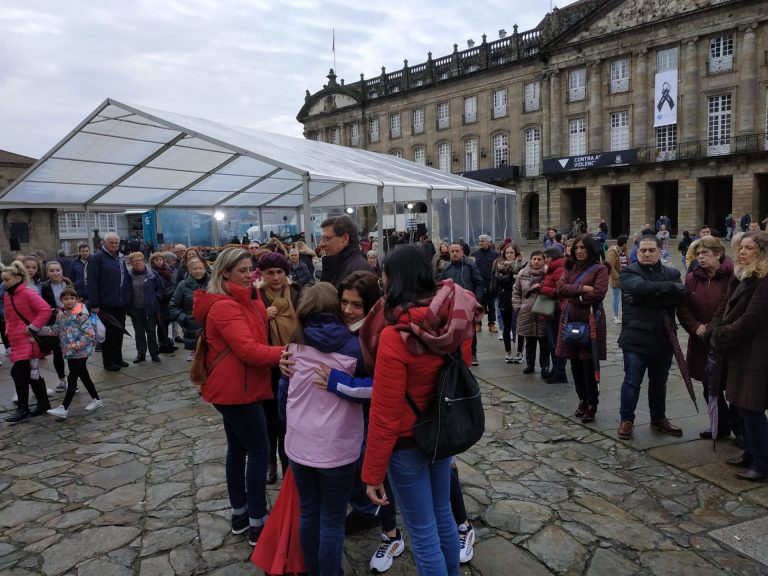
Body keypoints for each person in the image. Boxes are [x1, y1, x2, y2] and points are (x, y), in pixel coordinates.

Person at [360, 244, 480, 576]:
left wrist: (371, 474)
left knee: (422, 531)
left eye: (383, 272)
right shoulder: (453, 315)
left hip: (406, 443)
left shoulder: (393, 336)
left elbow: (385, 413)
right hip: (441, 431)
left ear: (394, 278)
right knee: (442, 514)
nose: (380, 277)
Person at [192, 247, 284, 546]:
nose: (250, 275)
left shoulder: (243, 300)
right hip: (237, 390)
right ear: (225, 272)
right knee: (258, 450)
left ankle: (241, 515)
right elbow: (247, 349)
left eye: (250, 269)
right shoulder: (224, 307)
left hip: (238, 387)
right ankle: (257, 523)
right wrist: (287, 353)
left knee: (237, 449)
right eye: (243, 271)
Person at [281, 282, 365, 575]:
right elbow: (375, 387)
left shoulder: (293, 345)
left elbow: (283, 397)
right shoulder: (355, 348)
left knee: (310, 513)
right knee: (332, 520)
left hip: (299, 447)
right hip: (338, 450)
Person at [710, 232, 768, 481]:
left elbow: (751, 320)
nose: (742, 252)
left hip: (755, 355)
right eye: (741, 247)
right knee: (741, 408)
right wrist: (716, 329)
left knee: (752, 409)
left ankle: (763, 463)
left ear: (762, 252)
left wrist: (722, 335)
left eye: (749, 248)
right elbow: (725, 308)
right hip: (739, 354)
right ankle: (751, 453)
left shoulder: (764, 282)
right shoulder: (744, 276)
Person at [617, 235, 686, 440]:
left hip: (663, 338)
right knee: (632, 381)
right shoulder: (629, 272)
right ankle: (626, 420)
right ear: (637, 252)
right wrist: (666, 289)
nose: (647, 254)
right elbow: (638, 287)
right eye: (642, 250)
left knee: (659, 382)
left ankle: (658, 418)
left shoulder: (672, 272)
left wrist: (644, 297)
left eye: (651, 250)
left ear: (660, 250)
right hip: (635, 338)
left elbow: (680, 297)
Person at [676, 236, 737, 442]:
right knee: (709, 386)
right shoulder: (692, 277)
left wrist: (713, 328)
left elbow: (733, 308)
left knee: (733, 389)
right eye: (698, 254)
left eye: (705, 253)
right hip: (701, 341)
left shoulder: (734, 276)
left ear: (719, 254)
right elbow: (683, 307)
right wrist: (695, 327)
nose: (700, 258)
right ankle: (719, 426)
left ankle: (742, 432)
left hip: (727, 340)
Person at [257, 252, 300, 484]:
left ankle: (288, 465)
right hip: (266, 365)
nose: (275, 277)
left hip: (291, 363)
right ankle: (269, 462)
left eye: (280, 272)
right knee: (268, 421)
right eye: (270, 273)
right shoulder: (256, 297)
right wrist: (263, 316)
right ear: (262, 274)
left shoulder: (295, 293)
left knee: (286, 420)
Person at [556, 235, 609, 422]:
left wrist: (574, 293)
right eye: (576, 247)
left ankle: (591, 403)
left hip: (590, 321)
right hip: (570, 320)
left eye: (583, 248)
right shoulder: (569, 266)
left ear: (590, 249)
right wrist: (582, 289)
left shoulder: (600, 269)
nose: (578, 251)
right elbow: (560, 289)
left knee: (588, 364)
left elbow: (598, 294)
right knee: (574, 363)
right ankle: (581, 399)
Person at [40, 286, 102, 419]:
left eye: (72, 298)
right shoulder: (61, 315)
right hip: (70, 351)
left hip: (82, 351)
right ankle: (96, 399)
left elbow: (89, 334)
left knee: (72, 377)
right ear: (61, 300)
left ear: (77, 299)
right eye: (65, 298)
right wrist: (38, 330)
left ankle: (64, 407)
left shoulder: (81, 314)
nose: (69, 301)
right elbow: (56, 330)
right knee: (84, 375)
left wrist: (75, 345)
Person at [3, 261, 52, 423]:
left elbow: (45, 310)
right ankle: (43, 403)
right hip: (17, 340)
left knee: (18, 372)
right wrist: (9, 329)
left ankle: (23, 408)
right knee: (32, 374)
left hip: (29, 340)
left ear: (17, 278)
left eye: (6, 279)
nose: (4, 282)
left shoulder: (27, 293)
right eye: (3, 279)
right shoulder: (7, 295)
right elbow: (9, 317)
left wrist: (33, 327)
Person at [87, 232, 132, 371]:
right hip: (105, 303)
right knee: (108, 335)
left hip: (120, 302)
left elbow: (125, 278)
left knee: (119, 332)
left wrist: (127, 297)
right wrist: (94, 303)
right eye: (111, 242)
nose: (113, 245)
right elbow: (92, 282)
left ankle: (118, 358)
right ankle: (109, 362)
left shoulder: (120, 257)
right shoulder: (97, 258)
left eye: (116, 242)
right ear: (104, 243)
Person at [438, 242, 484, 366]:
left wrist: (477, 300)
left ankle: (472, 354)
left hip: (468, 304)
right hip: (452, 306)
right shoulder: (446, 268)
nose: (454, 253)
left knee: (470, 331)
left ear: (462, 252)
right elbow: (441, 286)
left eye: (457, 251)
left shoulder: (470, 266)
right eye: (452, 251)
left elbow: (479, 283)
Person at [512, 251, 549, 376]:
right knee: (530, 342)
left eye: (539, 259)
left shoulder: (547, 274)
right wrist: (518, 307)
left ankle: (545, 366)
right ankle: (530, 364)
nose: (536, 261)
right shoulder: (523, 274)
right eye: (534, 259)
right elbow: (516, 292)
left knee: (544, 342)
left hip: (543, 312)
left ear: (543, 261)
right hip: (526, 312)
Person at [40, 261, 73, 392]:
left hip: (71, 322)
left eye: (57, 270)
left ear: (62, 271)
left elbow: (77, 299)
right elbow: (44, 305)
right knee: (58, 353)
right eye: (52, 271)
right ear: (47, 273)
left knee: (72, 353)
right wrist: (56, 311)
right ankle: (62, 380)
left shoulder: (69, 284)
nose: (55, 273)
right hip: (55, 323)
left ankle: (73, 380)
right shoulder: (44, 286)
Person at [169, 258, 210, 361]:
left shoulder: (213, 283)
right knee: (198, 361)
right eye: (195, 268)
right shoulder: (182, 285)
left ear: (205, 269)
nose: (198, 271)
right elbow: (173, 306)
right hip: (193, 326)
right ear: (189, 270)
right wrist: (184, 319)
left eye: (200, 268)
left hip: (211, 324)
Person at [125, 253, 163, 363]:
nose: (137, 262)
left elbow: (160, 288)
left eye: (139, 260)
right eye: (134, 261)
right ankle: (141, 354)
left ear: (143, 260)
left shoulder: (153, 274)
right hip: (136, 309)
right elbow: (126, 291)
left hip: (150, 309)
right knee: (139, 333)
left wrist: (155, 298)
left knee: (151, 332)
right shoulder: (128, 275)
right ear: (131, 263)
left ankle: (154, 354)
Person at [495, 244, 526, 364]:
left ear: (516, 254)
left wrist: (509, 277)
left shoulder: (523, 265)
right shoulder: (500, 265)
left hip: (518, 298)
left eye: (511, 252)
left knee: (519, 327)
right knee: (506, 327)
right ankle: (508, 352)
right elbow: (499, 279)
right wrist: (512, 276)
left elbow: (522, 279)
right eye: (507, 253)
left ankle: (519, 352)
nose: (508, 255)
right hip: (505, 298)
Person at [540, 247, 567, 384]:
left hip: (556, 312)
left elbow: (559, 291)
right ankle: (556, 369)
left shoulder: (559, 269)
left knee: (557, 343)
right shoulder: (552, 269)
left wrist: (541, 289)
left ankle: (560, 371)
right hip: (551, 312)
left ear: (553, 257)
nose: (545, 260)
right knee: (552, 343)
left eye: (546, 257)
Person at [319, 215, 370, 287]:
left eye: (326, 238)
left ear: (345, 239)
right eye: (321, 238)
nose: (321, 244)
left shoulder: (357, 274)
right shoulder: (342, 266)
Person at [471, 234, 499, 333]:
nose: (480, 243)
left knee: (491, 305)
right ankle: (478, 323)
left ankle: (491, 323)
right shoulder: (474, 254)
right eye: (480, 241)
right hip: (478, 285)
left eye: (482, 241)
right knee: (479, 305)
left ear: (488, 242)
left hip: (490, 284)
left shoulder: (495, 254)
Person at [150, 252, 177, 353]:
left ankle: (167, 342)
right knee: (161, 324)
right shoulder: (152, 272)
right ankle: (162, 344)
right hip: (160, 301)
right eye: (156, 260)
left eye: (160, 259)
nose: (159, 261)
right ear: (153, 261)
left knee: (167, 322)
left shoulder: (167, 269)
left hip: (169, 299)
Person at [605, 235, 630, 323]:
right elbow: (611, 268)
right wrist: (619, 277)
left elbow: (628, 262)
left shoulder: (624, 251)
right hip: (617, 279)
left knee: (626, 297)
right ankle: (616, 316)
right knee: (616, 297)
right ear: (624, 244)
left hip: (626, 278)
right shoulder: (612, 253)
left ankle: (626, 314)